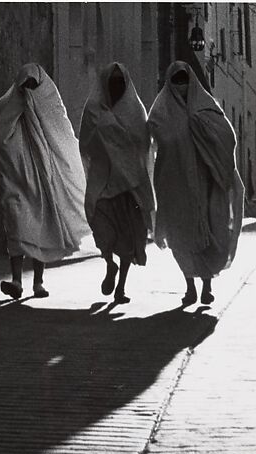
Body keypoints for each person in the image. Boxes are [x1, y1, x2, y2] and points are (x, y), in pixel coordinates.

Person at [0, 63, 90, 299]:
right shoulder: (7, 105)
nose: (29, 91)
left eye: (33, 86)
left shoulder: (49, 104)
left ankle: (38, 282)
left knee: (42, 227)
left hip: (43, 179)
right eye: (25, 86)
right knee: (18, 226)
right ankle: (17, 280)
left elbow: (62, 135)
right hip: (16, 178)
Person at [147, 61, 244, 305]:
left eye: (184, 80)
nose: (181, 85)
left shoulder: (206, 108)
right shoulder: (161, 111)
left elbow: (226, 135)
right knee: (181, 238)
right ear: (170, 82)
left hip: (206, 183)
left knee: (209, 233)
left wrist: (201, 131)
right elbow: (156, 136)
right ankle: (190, 285)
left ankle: (207, 285)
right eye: (176, 80)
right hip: (175, 185)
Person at [79, 62, 155, 304]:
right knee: (100, 226)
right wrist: (104, 134)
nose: (116, 87)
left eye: (120, 83)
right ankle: (108, 263)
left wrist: (120, 144)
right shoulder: (93, 109)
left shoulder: (135, 109)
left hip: (129, 185)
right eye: (112, 83)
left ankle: (120, 287)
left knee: (128, 236)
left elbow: (142, 145)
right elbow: (85, 143)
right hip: (102, 181)